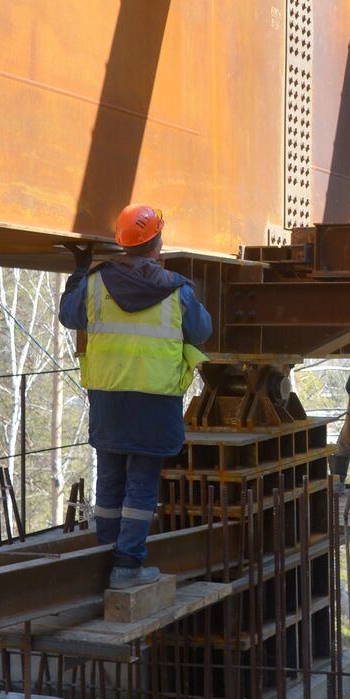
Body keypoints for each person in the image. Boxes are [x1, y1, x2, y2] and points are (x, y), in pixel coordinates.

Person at [60, 204, 213, 590]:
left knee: (110, 482)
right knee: (141, 484)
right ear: (157, 244)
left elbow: (69, 314)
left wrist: (79, 271)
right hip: (155, 401)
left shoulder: (95, 283)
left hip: (109, 398)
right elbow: (202, 331)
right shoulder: (176, 290)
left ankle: (106, 559)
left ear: (122, 244)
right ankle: (127, 565)